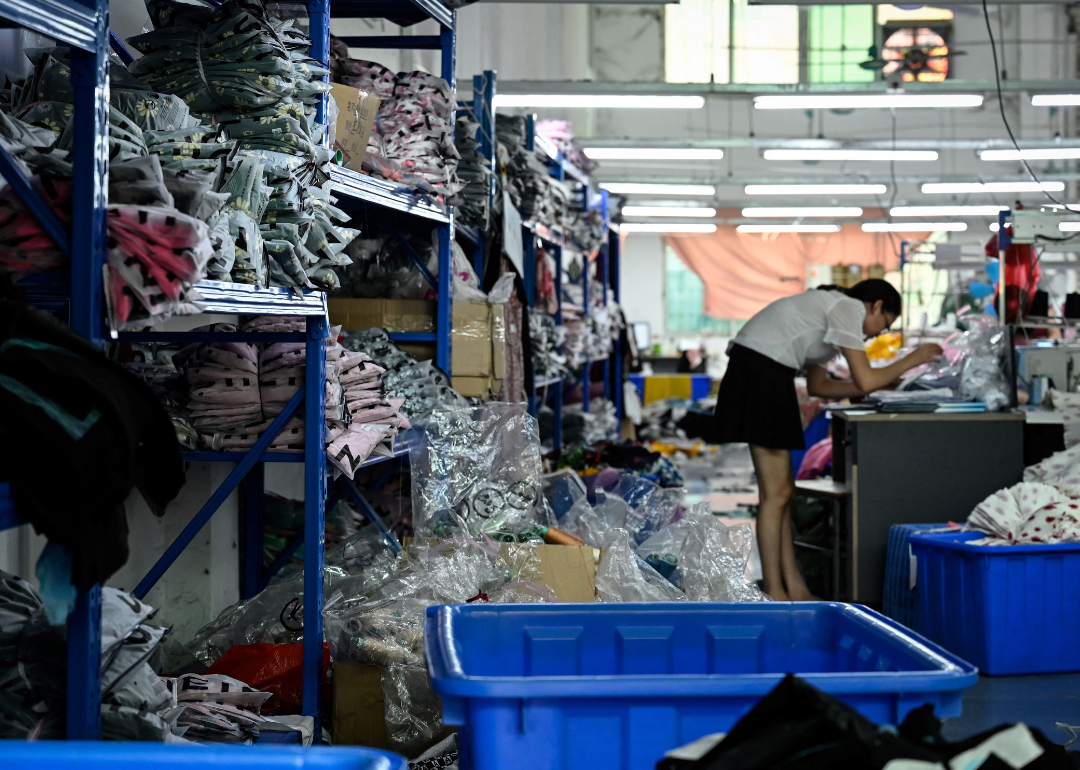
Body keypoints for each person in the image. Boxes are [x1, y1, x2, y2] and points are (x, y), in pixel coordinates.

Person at [712, 280, 942, 601]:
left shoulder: (829, 314)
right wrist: (911, 359)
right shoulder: (847, 308)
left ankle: (795, 587)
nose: (877, 334)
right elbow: (865, 378)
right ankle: (776, 593)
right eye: (884, 325)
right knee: (775, 494)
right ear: (875, 305)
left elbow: (821, 386)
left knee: (783, 493)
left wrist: (881, 384)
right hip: (761, 374)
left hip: (762, 372)